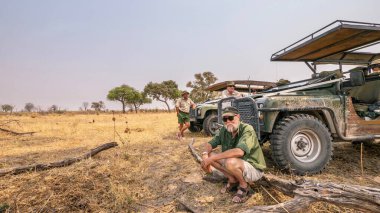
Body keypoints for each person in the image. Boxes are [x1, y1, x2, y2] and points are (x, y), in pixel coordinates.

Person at [201, 107, 266, 203]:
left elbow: (239, 152)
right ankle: (232, 179)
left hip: (253, 167)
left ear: (238, 117)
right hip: (237, 163)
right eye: (225, 119)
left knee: (229, 162)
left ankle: (244, 185)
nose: (228, 121)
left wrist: (211, 160)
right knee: (211, 155)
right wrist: (205, 154)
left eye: (230, 118)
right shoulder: (224, 130)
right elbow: (210, 144)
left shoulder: (247, 129)